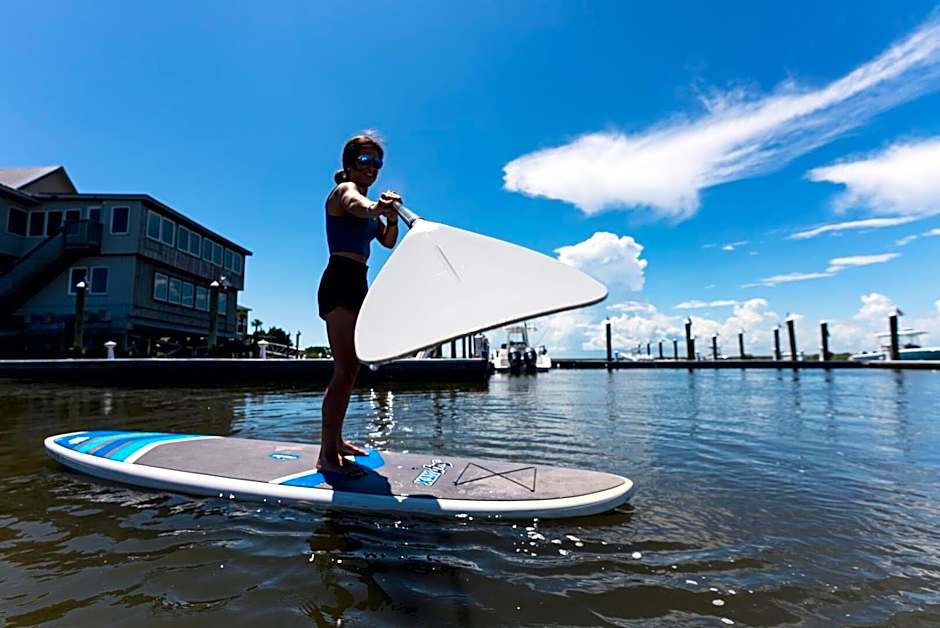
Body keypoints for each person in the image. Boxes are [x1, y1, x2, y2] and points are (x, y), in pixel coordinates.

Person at [317, 134, 401, 475]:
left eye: (377, 163)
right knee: (343, 370)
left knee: (350, 371)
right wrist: (378, 207)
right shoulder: (345, 192)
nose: (372, 169)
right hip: (338, 279)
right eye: (366, 162)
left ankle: (336, 442)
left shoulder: (370, 207)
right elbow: (357, 205)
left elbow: (387, 241)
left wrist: (390, 217)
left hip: (358, 282)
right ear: (350, 165)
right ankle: (326, 455)